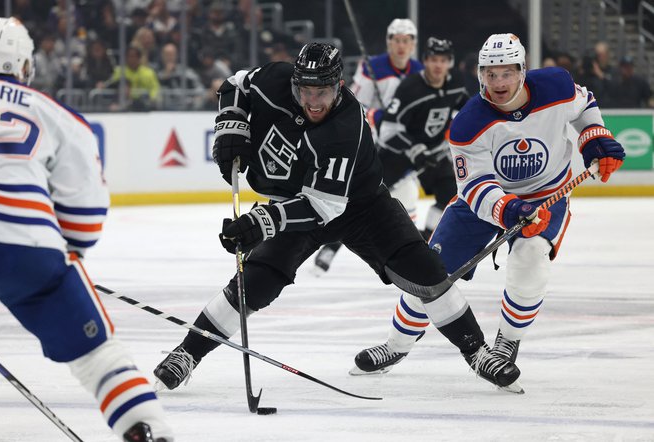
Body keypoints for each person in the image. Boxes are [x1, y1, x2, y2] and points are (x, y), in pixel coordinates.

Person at [153, 42, 522, 393]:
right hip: (289, 199)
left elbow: (323, 208)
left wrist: (261, 222)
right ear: (294, 82)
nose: (314, 102)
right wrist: (232, 121)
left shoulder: (346, 127)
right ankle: (187, 353)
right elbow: (235, 84)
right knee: (257, 281)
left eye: (324, 93)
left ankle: (476, 352)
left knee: (425, 270)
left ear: (339, 86)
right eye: (306, 91)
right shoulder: (275, 80)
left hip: (362, 206)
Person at [351, 33, 625, 385]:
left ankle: (507, 342)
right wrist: (510, 211)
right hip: (483, 204)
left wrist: (594, 138)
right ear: (480, 74)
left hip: (547, 195)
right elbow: (476, 187)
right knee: (429, 271)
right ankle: (397, 343)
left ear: (522, 71)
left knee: (530, 259)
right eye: (490, 74)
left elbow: (585, 106)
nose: (497, 82)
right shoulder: (469, 123)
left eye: (506, 73)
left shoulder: (557, 85)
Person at [0, 18, 173, 442]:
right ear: (23, 67)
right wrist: (67, 254)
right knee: (96, 354)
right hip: (27, 248)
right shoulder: (55, 114)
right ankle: (142, 428)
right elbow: (86, 211)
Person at [313, 18, 424, 274]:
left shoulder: (419, 72)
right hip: (372, 144)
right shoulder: (372, 67)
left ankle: (406, 251)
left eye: (406, 41)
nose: (401, 46)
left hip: (400, 147)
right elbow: (353, 102)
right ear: (389, 42)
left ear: (412, 44)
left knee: (407, 195)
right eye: (396, 40)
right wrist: (375, 115)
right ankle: (330, 247)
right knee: (356, 195)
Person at [378, 36, 468, 241]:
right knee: (367, 196)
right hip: (399, 152)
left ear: (450, 62)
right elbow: (388, 129)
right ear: (425, 60)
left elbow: (467, 111)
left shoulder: (457, 82)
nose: (438, 65)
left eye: (444, 60)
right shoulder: (410, 87)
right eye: (434, 59)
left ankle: (424, 241)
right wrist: (414, 150)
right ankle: (331, 248)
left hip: (434, 152)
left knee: (450, 196)